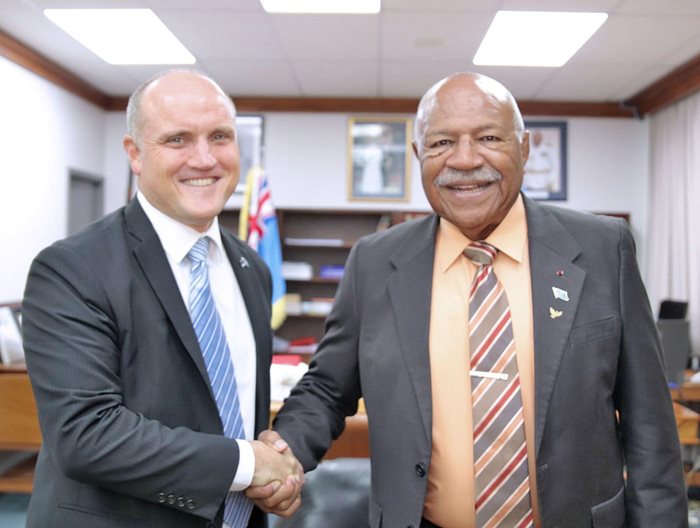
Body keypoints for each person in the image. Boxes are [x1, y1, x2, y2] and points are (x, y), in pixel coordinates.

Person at [266, 72, 688, 527]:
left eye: (488, 138)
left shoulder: (603, 247)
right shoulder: (374, 262)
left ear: (523, 148)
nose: (464, 160)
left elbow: (649, 423)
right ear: (419, 155)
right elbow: (328, 388)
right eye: (442, 142)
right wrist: (282, 452)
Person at [22, 70, 302, 528]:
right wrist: (249, 463)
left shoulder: (252, 269)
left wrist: (274, 471)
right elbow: (86, 434)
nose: (204, 158)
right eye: (177, 139)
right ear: (134, 153)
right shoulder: (72, 269)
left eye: (220, 136)